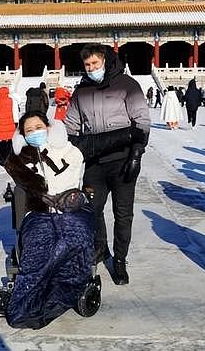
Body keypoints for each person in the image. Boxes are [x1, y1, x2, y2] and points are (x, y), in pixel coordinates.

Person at [0, 111, 139, 328]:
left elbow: (103, 141)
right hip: (38, 214)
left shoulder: (73, 147)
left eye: (38, 127)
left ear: (49, 127)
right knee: (40, 249)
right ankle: (30, 301)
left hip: (73, 211)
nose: (35, 133)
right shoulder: (17, 154)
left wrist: (132, 133)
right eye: (29, 130)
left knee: (72, 243)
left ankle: (60, 294)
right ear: (22, 135)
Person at [64, 43, 150, 285]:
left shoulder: (127, 85)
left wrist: (136, 154)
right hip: (94, 162)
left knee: (123, 214)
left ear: (106, 60)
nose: (91, 68)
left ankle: (120, 260)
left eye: (95, 63)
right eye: (87, 65)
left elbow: (141, 120)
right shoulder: (81, 91)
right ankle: (100, 248)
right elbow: (71, 124)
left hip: (123, 160)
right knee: (92, 210)